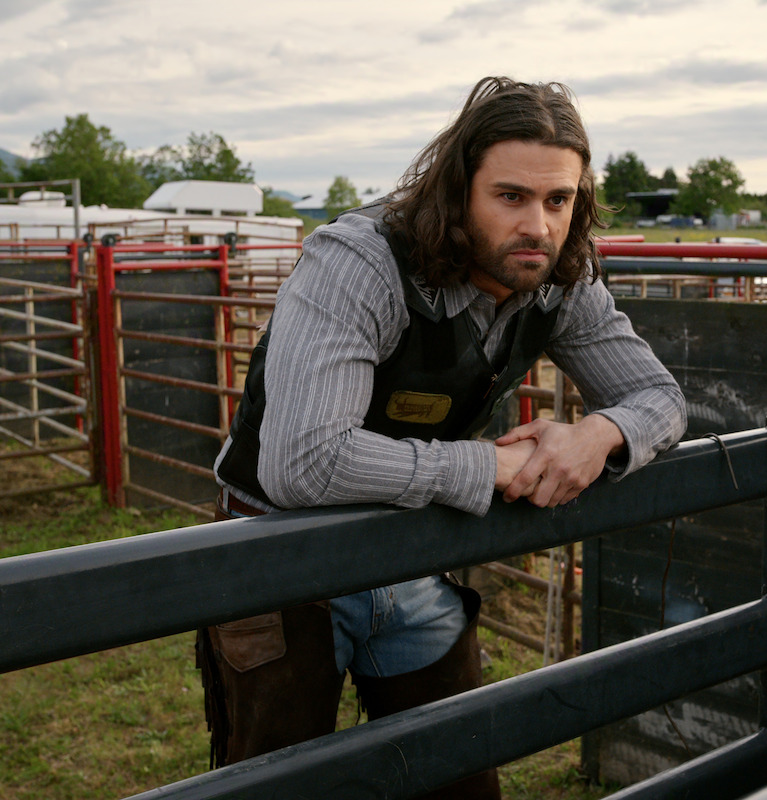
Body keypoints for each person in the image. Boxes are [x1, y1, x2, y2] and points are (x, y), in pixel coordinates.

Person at [200, 76, 687, 798]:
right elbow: (303, 463)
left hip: (412, 551)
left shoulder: (560, 276)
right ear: (458, 189)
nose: (539, 227)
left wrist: (600, 434)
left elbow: (661, 398)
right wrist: (486, 469)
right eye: (512, 196)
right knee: (277, 777)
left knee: (457, 771)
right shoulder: (361, 261)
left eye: (559, 201)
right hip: (279, 552)